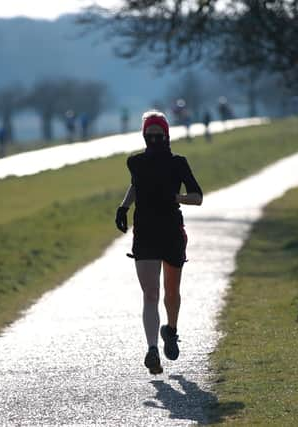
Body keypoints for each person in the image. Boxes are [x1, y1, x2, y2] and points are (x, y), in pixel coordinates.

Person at [115, 110, 203, 375]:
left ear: (166, 135)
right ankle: (152, 349)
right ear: (144, 135)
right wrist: (123, 207)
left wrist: (175, 197)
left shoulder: (178, 163)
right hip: (145, 233)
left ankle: (171, 331)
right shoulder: (136, 163)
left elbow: (197, 197)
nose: (154, 138)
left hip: (172, 233)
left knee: (171, 292)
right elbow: (136, 185)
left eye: (158, 134)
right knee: (150, 293)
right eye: (149, 134)